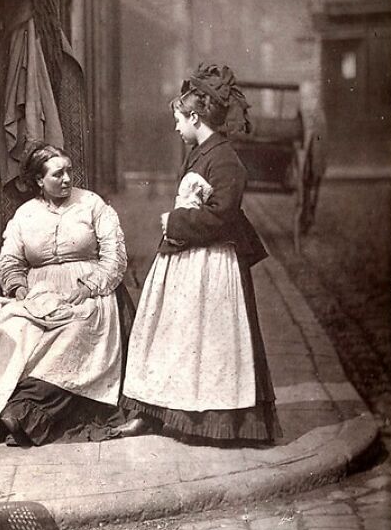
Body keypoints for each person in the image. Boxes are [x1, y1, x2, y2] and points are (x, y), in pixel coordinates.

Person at [120, 63, 282, 446]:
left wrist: (175, 222)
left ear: (195, 117)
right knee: (175, 332)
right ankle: (158, 410)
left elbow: (222, 216)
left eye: (179, 119)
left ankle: (218, 422)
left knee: (212, 341)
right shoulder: (201, 152)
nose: (176, 128)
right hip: (187, 260)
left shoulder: (225, 160)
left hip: (212, 263)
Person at [0, 142, 128, 446]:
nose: (67, 179)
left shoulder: (92, 205)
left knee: (74, 330)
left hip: (88, 291)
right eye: (58, 174)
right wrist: (19, 287)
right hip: (37, 294)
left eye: (69, 171)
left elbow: (115, 257)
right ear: (38, 181)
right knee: (11, 329)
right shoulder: (25, 214)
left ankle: (19, 414)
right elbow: (10, 260)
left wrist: (88, 287)